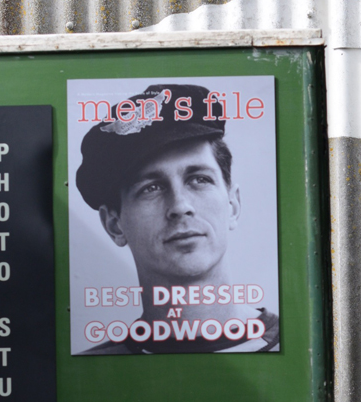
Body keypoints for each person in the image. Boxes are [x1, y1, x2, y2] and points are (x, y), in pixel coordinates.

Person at [74, 84, 279, 354]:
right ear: (114, 225)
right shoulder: (95, 372)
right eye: (151, 188)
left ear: (232, 205)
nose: (180, 207)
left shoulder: (300, 345)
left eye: (199, 179)